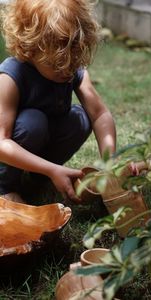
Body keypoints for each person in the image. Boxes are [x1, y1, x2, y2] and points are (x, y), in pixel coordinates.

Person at [0, 0, 116, 204]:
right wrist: (51, 168)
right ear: (30, 48)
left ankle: (40, 177)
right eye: (57, 63)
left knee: (82, 117)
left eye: (74, 58)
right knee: (33, 122)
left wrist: (110, 161)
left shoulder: (71, 67)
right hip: (13, 148)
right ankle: (5, 187)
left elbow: (100, 115)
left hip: (43, 141)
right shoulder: (11, 76)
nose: (68, 69)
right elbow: (2, 143)